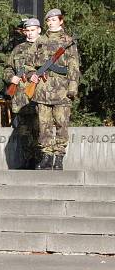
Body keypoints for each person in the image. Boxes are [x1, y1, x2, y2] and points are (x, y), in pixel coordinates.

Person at [29, 9, 80, 170]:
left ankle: (58, 157)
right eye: (48, 20)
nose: (50, 22)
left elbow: (73, 66)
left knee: (61, 124)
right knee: (44, 125)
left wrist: (72, 88)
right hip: (42, 90)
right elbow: (28, 63)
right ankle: (46, 156)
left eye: (53, 20)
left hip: (61, 91)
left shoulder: (68, 41)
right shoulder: (40, 40)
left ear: (61, 21)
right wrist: (32, 74)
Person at [4, 18, 42, 169]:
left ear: (39, 30)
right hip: (21, 98)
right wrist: (10, 77)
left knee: (40, 131)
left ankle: (41, 162)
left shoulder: (45, 47)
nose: (30, 33)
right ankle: (29, 161)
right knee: (24, 132)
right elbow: (8, 68)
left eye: (33, 30)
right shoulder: (18, 49)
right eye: (27, 30)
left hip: (40, 96)